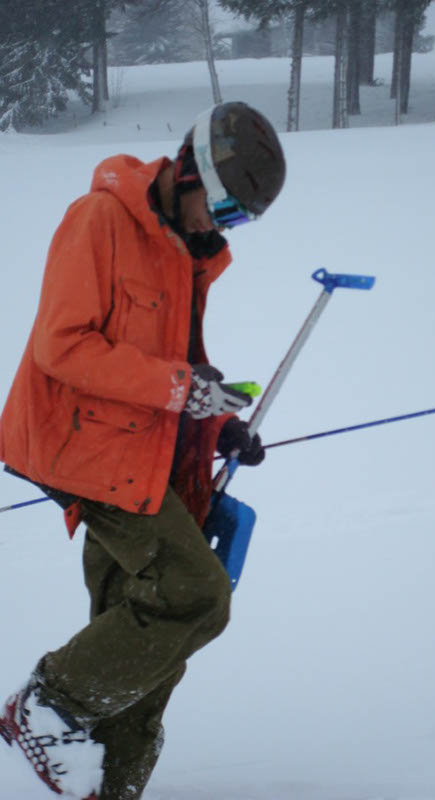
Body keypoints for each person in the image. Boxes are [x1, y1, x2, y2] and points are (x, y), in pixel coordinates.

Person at [0, 101, 286, 800]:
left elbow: (175, 357)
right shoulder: (99, 221)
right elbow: (62, 346)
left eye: (239, 220)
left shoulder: (185, 250)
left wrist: (218, 422)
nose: (221, 227)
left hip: (146, 451)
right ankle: (46, 706)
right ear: (188, 170)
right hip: (84, 448)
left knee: (137, 627)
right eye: (223, 207)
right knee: (193, 595)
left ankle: (109, 784)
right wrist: (181, 388)